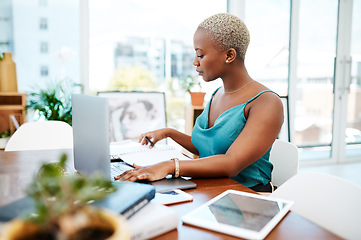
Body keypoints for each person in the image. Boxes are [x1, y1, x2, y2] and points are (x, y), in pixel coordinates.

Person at [114, 13, 284, 192]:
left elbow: (230, 163)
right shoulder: (217, 94)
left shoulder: (267, 103)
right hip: (214, 189)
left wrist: (169, 166)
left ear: (229, 55)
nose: (195, 62)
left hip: (250, 198)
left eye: (201, 55)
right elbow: (208, 147)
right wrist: (169, 133)